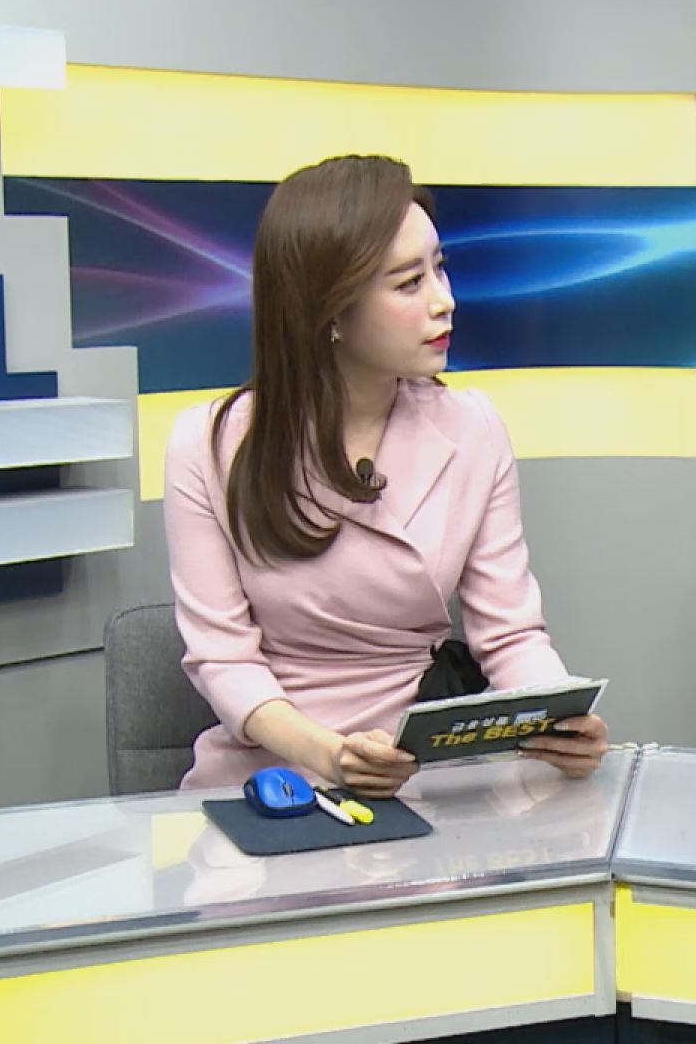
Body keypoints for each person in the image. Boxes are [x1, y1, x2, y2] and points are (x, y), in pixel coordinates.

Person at [164, 155, 609, 796]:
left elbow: (510, 635)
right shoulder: (207, 445)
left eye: (440, 268)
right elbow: (223, 658)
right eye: (408, 283)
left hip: (420, 773)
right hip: (269, 777)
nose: (444, 301)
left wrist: (558, 717)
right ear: (330, 309)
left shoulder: (474, 428)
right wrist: (329, 755)